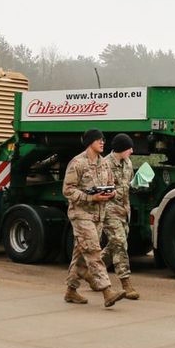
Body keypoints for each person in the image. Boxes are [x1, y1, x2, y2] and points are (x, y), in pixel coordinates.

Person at [62, 128, 126, 307]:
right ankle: (107, 291)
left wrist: (110, 193)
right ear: (90, 142)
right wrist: (90, 197)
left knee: (81, 254)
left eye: (103, 139)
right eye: (99, 139)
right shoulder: (77, 163)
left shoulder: (104, 164)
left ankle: (71, 291)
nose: (103, 142)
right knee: (93, 251)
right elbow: (67, 190)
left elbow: (110, 184)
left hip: (98, 214)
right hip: (81, 214)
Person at [102, 133, 139, 299]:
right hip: (109, 210)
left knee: (114, 244)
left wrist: (138, 185)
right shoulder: (105, 165)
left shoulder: (128, 163)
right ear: (121, 149)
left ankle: (93, 272)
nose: (132, 151)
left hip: (124, 211)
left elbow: (128, 184)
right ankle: (126, 283)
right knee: (120, 243)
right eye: (129, 148)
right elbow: (99, 189)